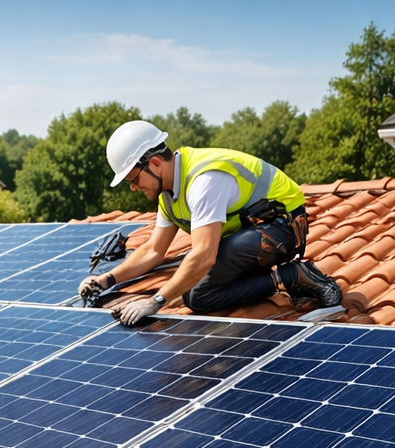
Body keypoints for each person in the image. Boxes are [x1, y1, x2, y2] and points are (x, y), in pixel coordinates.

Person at [78, 121, 343, 321]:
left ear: (155, 163)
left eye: (134, 179)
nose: (133, 188)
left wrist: (156, 301)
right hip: (252, 233)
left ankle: (298, 275)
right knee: (197, 296)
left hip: (284, 227)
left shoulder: (204, 180)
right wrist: (106, 279)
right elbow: (153, 250)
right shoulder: (168, 195)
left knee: (208, 261)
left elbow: (204, 254)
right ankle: (279, 277)